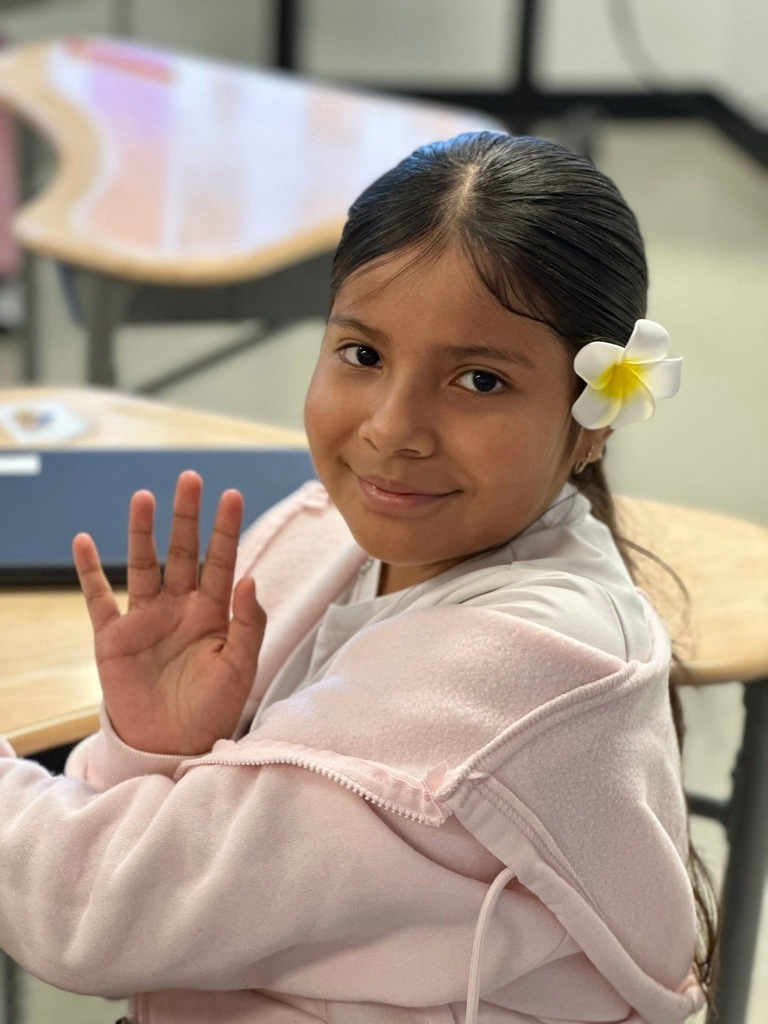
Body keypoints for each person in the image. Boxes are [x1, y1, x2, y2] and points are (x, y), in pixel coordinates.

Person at [0, 132, 718, 1024]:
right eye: (363, 355)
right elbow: (138, 899)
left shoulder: (529, 656)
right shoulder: (326, 535)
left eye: (480, 380)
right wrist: (158, 746)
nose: (393, 428)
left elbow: (91, 916)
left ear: (591, 423)